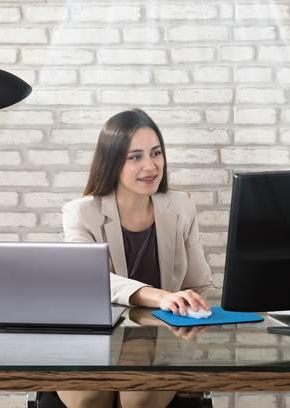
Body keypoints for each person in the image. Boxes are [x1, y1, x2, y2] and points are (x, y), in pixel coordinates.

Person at [59, 108, 214, 408]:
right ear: (112, 162)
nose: (150, 166)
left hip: (160, 337)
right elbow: (87, 280)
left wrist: (193, 313)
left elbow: (198, 285)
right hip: (92, 337)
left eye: (156, 153)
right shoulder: (81, 213)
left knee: (138, 398)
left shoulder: (181, 206)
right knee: (91, 397)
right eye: (135, 157)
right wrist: (160, 296)